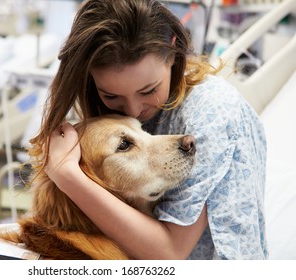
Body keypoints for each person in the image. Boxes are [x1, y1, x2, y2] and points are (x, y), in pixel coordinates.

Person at [30, 0, 268, 259]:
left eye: (148, 90)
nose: (132, 111)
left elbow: (170, 254)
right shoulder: (96, 112)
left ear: (174, 54)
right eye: (111, 95)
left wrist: (67, 177)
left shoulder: (211, 112)